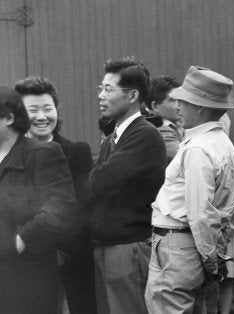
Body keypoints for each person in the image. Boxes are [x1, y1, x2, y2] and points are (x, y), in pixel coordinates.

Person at [144, 66, 234, 313]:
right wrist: (215, 253)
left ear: (199, 107)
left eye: (183, 100)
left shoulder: (197, 148)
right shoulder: (225, 145)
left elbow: (200, 213)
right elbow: (230, 209)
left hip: (179, 245)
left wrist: (209, 259)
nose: (177, 106)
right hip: (195, 247)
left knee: (167, 306)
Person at [88, 57, 166, 314]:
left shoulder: (144, 135)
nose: (101, 95)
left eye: (108, 89)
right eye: (101, 88)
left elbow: (100, 180)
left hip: (128, 249)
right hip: (110, 248)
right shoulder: (112, 138)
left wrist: (94, 175)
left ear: (133, 95)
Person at [14, 77, 95, 313]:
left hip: (71, 257)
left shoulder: (77, 151)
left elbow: (80, 206)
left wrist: (54, 247)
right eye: (32, 110)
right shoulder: (11, 156)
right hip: (25, 260)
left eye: (47, 109)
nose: (41, 117)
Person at [0, 87, 79, 313]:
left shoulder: (42, 153)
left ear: (9, 118)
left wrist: (20, 241)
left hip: (28, 275)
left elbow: (61, 207)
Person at [146, 75, 183, 162]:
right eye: (173, 100)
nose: (180, 105)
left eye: (181, 99)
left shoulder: (180, 124)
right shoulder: (159, 131)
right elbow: (188, 159)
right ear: (155, 106)